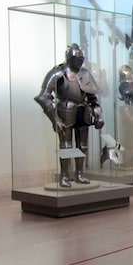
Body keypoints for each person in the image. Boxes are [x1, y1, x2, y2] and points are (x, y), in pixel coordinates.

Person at [34, 43, 104, 188]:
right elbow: (43, 97)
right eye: (76, 58)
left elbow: (92, 99)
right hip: (65, 110)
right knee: (66, 145)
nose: (79, 61)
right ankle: (64, 175)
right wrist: (55, 118)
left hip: (83, 111)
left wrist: (98, 115)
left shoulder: (85, 74)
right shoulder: (58, 73)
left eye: (81, 58)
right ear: (69, 57)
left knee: (83, 145)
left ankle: (79, 174)